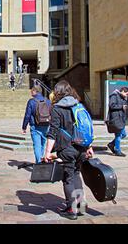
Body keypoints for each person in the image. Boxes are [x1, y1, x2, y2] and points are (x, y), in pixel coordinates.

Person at [43, 80, 94, 220]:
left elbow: (52, 132)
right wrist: (89, 147)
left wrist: (47, 152)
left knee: (68, 178)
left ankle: (72, 210)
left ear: (57, 92)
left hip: (67, 148)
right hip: (81, 148)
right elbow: (85, 128)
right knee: (77, 174)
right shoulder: (78, 105)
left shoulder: (57, 108)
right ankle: (81, 206)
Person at [22, 85, 51, 163]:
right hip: (46, 125)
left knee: (37, 145)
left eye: (32, 91)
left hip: (35, 126)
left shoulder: (31, 101)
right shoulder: (48, 101)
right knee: (42, 144)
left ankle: (39, 162)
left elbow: (27, 115)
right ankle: (41, 160)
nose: (31, 92)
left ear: (35, 91)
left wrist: (24, 127)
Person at [107, 87, 128, 157]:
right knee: (118, 135)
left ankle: (112, 144)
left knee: (123, 134)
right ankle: (117, 151)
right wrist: (121, 106)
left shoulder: (122, 97)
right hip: (116, 119)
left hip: (121, 119)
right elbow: (111, 105)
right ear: (122, 91)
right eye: (126, 94)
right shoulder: (114, 95)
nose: (126, 95)